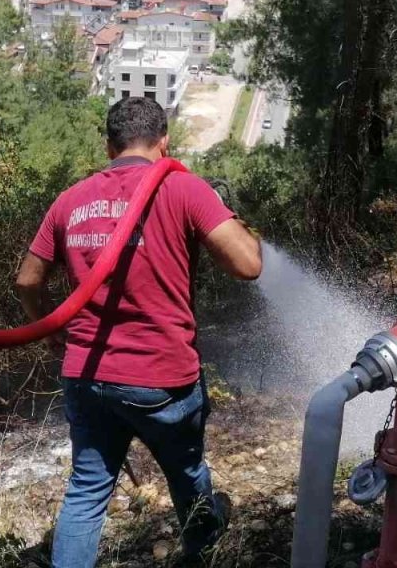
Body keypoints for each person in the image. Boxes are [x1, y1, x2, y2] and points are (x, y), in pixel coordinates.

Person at [15, 97, 262, 567]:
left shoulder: (71, 198)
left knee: (86, 491)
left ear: (109, 148)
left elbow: (27, 279)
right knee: (186, 474)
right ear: (164, 142)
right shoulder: (185, 189)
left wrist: (47, 327)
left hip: (86, 376)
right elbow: (249, 264)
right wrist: (226, 215)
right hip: (161, 378)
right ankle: (203, 554)